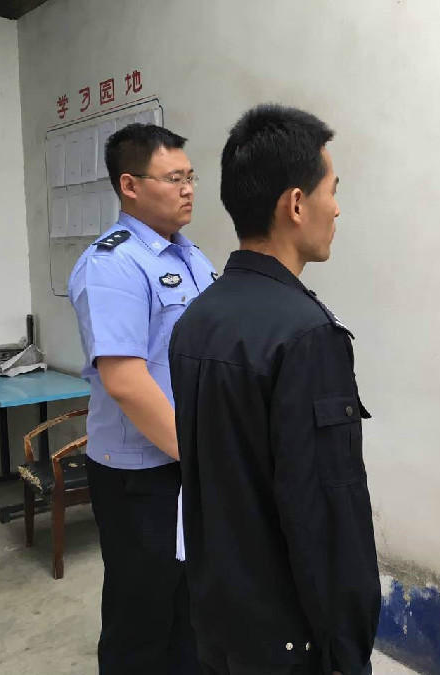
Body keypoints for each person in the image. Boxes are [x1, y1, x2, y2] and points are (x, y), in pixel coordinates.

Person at [169, 104, 380, 675]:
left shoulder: (197, 319)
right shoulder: (307, 336)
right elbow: (325, 517)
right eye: (332, 190)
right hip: (291, 641)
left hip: (218, 624)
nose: (337, 208)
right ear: (296, 204)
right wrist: (346, 646)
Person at [68, 123, 215, 674]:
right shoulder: (113, 263)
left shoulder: (190, 257)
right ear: (129, 185)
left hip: (185, 458)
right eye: (173, 178)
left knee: (191, 606)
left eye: (190, 176)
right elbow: (126, 380)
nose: (188, 189)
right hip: (141, 474)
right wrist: (201, 457)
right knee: (142, 615)